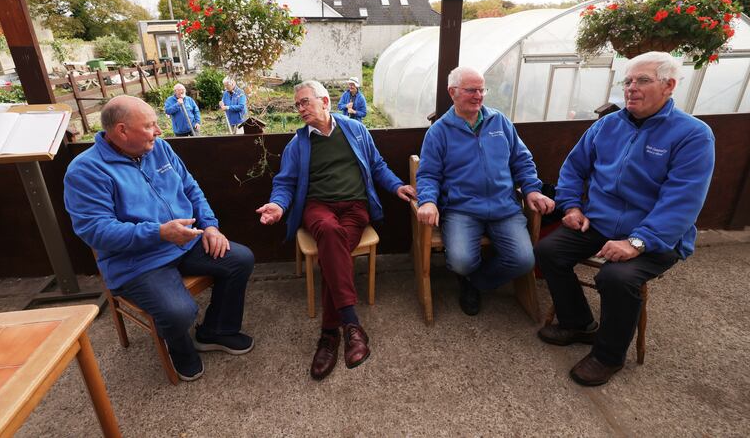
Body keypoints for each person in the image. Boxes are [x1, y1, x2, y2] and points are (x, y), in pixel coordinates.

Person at [535, 51, 715, 386]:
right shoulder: (607, 125)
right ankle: (579, 323)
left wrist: (637, 242)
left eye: (642, 80)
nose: (631, 88)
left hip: (657, 237)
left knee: (616, 279)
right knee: (548, 250)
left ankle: (608, 355)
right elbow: (574, 168)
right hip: (600, 222)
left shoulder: (693, 135)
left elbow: (683, 201)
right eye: (628, 81)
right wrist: (572, 207)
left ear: (669, 85)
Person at [64, 95, 255, 382]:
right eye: (150, 126)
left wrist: (211, 226)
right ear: (121, 131)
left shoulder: (159, 149)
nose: (159, 131)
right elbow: (95, 230)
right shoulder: (85, 170)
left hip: (185, 242)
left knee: (239, 259)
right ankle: (179, 347)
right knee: (179, 312)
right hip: (137, 261)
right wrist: (159, 232)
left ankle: (216, 331)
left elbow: (191, 189)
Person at [256, 80, 415, 381]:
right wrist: (277, 206)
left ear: (325, 101)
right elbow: (285, 183)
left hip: (355, 207)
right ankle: (351, 325)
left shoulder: (355, 130)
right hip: (318, 207)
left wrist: (397, 186)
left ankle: (330, 335)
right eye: (297, 105)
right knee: (330, 234)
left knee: (334, 249)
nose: (300, 108)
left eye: (305, 102)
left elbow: (377, 165)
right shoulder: (298, 144)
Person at [416, 66, 555, 316]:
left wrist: (532, 190)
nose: (478, 96)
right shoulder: (439, 131)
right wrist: (427, 201)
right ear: (453, 92)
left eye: (482, 90)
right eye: (471, 90)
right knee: (460, 261)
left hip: (504, 207)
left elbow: (521, 160)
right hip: (462, 210)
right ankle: (467, 275)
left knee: (524, 260)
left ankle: (474, 283)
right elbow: (428, 174)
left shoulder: (499, 121)